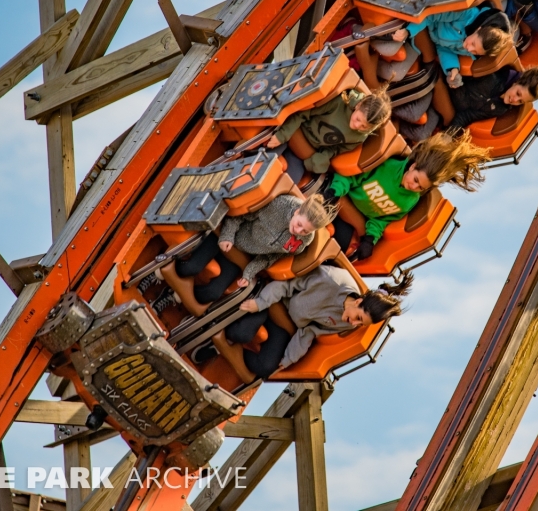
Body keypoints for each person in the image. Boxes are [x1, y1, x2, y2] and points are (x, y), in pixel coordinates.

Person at [209, 264, 411, 381]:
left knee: (265, 368)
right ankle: (212, 335)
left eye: (361, 324)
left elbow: (311, 331)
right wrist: (261, 303)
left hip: (285, 324)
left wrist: (288, 359)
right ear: (358, 301)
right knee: (240, 333)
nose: (355, 324)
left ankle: (218, 352)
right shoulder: (332, 280)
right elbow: (286, 283)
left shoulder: (346, 323)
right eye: (359, 317)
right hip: (273, 301)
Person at [157, 194, 337, 317]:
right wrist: (227, 235)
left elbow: (269, 258)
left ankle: (171, 295)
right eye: (299, 224)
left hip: (242, 256)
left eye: (305, 231)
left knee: (210, 294)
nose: (298, 231)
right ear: (297, 212)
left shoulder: (302, 242)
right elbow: (240, 215)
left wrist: (249, 273)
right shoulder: (280, 205)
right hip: (231, 236)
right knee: (190, 268)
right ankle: (160, 270)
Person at [324, 130, 491, 260]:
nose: (414, 186)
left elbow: (381, 220)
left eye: (420, 187)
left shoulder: (409, 201)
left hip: (354, 220)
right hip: (339, 196)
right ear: (413, 166)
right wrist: (335, 191)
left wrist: (370, 240)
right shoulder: (388, 165)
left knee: (341, 245)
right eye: (416, 179)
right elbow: (353, 175)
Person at [266, 86, 392, 175]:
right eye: (358, 119)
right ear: (358, 105)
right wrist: (282, 135)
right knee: (265, 158)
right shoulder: (339, 101)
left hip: (305, 152)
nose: (357, 126)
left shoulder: (361, 136)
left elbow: (336, 149)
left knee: (291, 178)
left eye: (364, 127)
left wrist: (321, 159)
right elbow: (303, 113)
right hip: (294, 130)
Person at [394, 6, 514, 89]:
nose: (469, 49)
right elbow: (430, 16)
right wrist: (408, 31)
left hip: (429, 41)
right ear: (479, 29)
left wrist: (453, 69)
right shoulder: (466, 13)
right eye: (473, 44)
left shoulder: (471, 49)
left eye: (476, 52)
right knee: (393, 54)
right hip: (421, 24)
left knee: (397, 73)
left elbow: (444, 48)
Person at [448, 62, 538, 129]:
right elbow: (465, 76)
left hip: (449, 111)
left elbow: (467, 116)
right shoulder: (492, 77)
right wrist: (455, 80)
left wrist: (449, 134)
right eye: (518, 93)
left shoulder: (500, 109)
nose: (514, 100)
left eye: (520, 101)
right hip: (447, 86)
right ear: (516, 82)